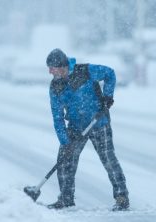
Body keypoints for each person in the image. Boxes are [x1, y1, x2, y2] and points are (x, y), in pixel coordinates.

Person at [45, 48, 129, 211]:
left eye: (52, 68)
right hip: (76, 128)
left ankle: (121, 197)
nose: (49, 72)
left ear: (61, 66)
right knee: (65, 161)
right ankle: (66, 199)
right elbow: (57, 117)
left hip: (99, 122)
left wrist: (108, 96)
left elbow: (109, 73)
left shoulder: (85, 71)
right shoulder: (55, 86)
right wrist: (65, 141)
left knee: (108, 160)